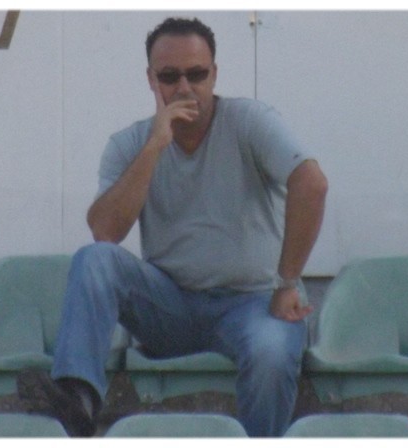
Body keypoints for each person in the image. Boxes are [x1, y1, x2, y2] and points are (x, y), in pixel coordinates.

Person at [19, 17, 328, 438]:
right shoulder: (131, 143)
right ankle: (78, 402)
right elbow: (105, 231)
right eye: (169, 77)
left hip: (252, 302)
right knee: (95, 260)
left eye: (196, 74)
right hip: (170, 306)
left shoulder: (250, 121)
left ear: (214, 74)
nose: (184, 87)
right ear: (151, 80)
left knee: (272, 353)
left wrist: (287, 282)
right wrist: (155, 145)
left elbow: (311, 184)